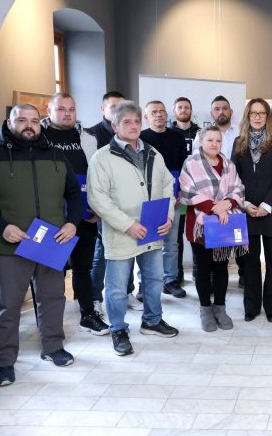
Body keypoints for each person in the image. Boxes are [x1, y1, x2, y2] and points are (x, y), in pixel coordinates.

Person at [0, 104, 82, 386]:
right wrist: (1, 227)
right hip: (10, 244)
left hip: (50, 242)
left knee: (53, 299)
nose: (29, 125)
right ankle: (4, 362)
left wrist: (72, 223)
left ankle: (53, 347)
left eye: (34, 120)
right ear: (9, 123)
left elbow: (74, 193)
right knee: (9, 305)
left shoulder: (56, 156)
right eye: (21, 120)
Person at [87, 101, 179, 357]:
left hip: (153, 228)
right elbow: (97, 199)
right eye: (127, 122)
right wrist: (128, 225)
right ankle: (118, 329)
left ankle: (152, 320)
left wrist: (168, 216)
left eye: (137, 121)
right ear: (115, 126)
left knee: (154, 279)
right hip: (121, 231)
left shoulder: (153, 153)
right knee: (117, 287)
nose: (133, 126)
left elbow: (167, 185)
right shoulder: (102, 158)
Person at [41, 93, 108, 335]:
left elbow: (97, 175)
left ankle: (88, 315)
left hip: (84, 215)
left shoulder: (87, 138)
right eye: (61, 109)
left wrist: (97, 207)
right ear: (49, 111)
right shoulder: (39, 137)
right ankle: (50, 323)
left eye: (71, 109)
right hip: (51, 217)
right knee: (52, 271)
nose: (67, 113)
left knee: (83, 267)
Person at [179, 126, 246, 332]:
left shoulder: (228, 164)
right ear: (201, 142)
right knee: (203, 269)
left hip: (224, 223)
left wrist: (227, 203)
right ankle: (205, 309)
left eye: (218, 140)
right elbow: (187, 192)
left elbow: (238, 188)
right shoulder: (191, 163)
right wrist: (215, 207)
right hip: (199, 224)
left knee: (221, 267)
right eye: (210, 140)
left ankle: (220, 308)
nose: (214, 144)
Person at [232, 98, 272, 322]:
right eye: (253, 113)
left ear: (267, 116)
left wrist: (267, 205)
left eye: (262, 113)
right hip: (247, 211)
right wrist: (244, 203)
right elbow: (233, 177)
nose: (257, 117)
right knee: (250, 263)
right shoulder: (239, 141)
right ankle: (252, 307)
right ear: (247, 116)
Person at [87, 91, 141, 312]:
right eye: (114, 107)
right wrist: (97, 206)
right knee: (102, 254)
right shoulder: (92, 135)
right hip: (105, 209)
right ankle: (95, 298)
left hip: (129, 208)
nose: (120, 110)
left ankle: (128, 292)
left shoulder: (135, 139)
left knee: (130, 251)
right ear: (103, 110)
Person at [141, 101, 188, 298]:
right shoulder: (141, 137)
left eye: (162, 111)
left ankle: (170, 281)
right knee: (147, 243)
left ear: (167, 115)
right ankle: (145, 284)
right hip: (148, 198)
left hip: (174, 197)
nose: (159, 115)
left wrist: (181, 192)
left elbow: (184, 166)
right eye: (154, 112)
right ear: (146, 117)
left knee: (171, 243)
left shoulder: (177, 136)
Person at [171, 96, 201, 285]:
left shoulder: (200, 132)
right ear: (174, 111)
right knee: (176, 235)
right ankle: (177, 274)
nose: (183, 110)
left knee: (197, 232)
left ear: (191, 110)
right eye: (180, 107)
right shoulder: (169, 133)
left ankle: (199, 271)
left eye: (186, 107)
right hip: (178, 191)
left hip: (197, 190)